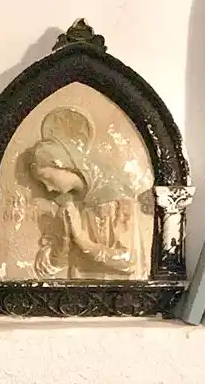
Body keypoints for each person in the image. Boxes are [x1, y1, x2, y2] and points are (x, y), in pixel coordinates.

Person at [28, 107, 148, 279]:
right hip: (76, 291)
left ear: (63, 165)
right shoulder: (69, 204)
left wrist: (82, 240)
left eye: (46, 178)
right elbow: (52, 268)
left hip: (116, 291)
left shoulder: (117, 197)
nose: (47, 188)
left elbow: (128, 260)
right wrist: (64, 241)